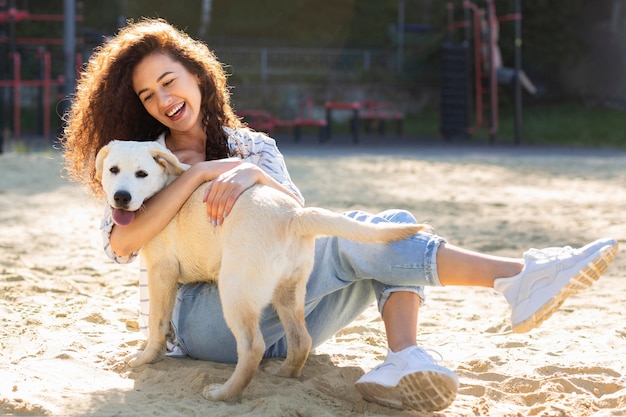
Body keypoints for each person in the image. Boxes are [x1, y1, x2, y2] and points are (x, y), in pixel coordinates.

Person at [61, 18, 618, 413]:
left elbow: (291, 231)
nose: (163, 98)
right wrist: (201, 175)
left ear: (197, 76)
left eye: (169, 80)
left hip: (283, 310)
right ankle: (518, 277)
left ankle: (406, 358)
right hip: (207, 326)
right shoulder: (140, 164)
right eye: (148, 94)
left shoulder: (252, 146)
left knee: (379, 231)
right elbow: (121, 246)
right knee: (369, 240)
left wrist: (252, 173)